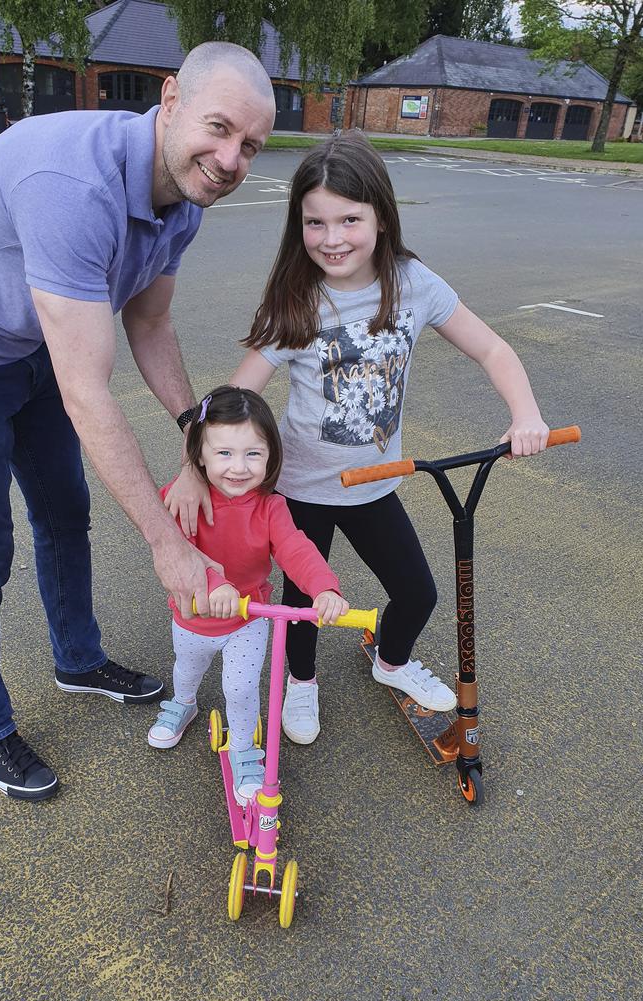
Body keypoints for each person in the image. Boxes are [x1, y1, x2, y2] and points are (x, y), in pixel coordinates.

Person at [0, 42, 276, 801]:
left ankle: (78, 659)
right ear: (170, 99)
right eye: (219, 127)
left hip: (31, 337)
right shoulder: (72, 185)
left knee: (66, 512)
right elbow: (88, 395)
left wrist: (198, 440)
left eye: (250, 146)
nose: (229, 160)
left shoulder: (182, 197)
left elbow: (150, 323)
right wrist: (168, 544)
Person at [166, 129, 549, 745]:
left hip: (374, 484)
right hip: (301, 489)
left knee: (418, 593)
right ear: (298, 225)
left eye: (349, 219)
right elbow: (233, 399)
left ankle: (390, 661)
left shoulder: (413, 284)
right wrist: (193, 466)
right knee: (304, 603)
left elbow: (493, 349)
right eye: (315, 223)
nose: (332, 238)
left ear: (381, 217)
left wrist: (525, 414)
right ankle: (301, 681)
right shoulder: (297, 300)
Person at [150, 386, 348, 803]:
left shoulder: (270, 508)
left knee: (241, 690)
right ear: (199, 455)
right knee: (187, 669)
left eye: (253, 454)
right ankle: (184, 703)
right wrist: (213, 582)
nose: (238, 468)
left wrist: (324, 588)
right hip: (193, 616)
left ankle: (243, 749)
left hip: (248, 618)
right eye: (224, 453)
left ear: (271, 456)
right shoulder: (184, 497)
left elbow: (295, 548)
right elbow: (175, 549)